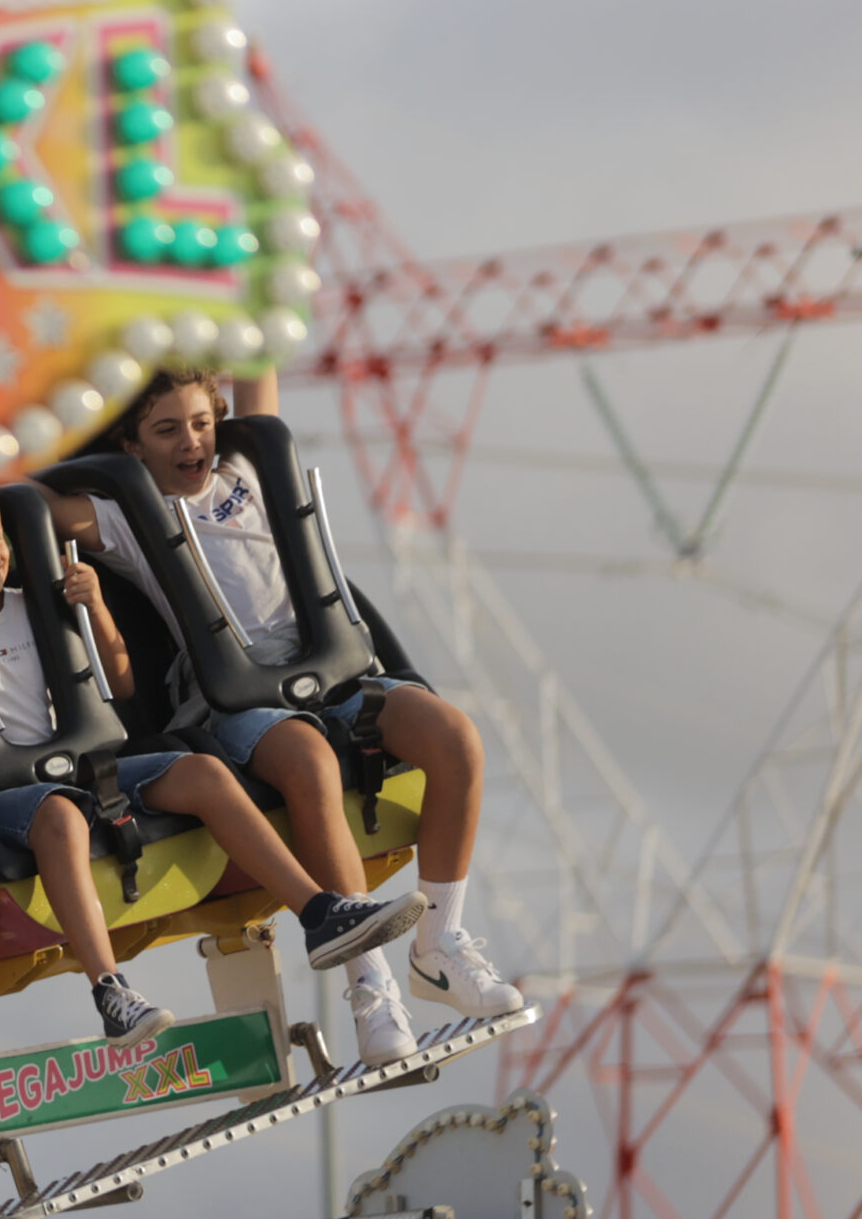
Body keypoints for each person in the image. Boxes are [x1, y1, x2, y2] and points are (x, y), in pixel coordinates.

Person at [43, 366, 523, 1068]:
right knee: (310, 765)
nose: (191, 442)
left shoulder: (248, 467)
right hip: (243, 698)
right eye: (167, 430)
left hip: (330, 670)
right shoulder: (127, 512)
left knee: (456, 738)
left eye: (201, 423)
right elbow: (29, 505)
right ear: (134, 446)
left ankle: (440, 946)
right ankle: (371, 986)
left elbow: (256, 368)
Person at [0, 488, 425, 1051]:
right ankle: (111, 990)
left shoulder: (32, 607)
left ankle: (318, 910)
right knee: (61, 818)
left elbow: (120, 684)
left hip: (84, 773)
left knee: (203, 773)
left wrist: (96, 610)